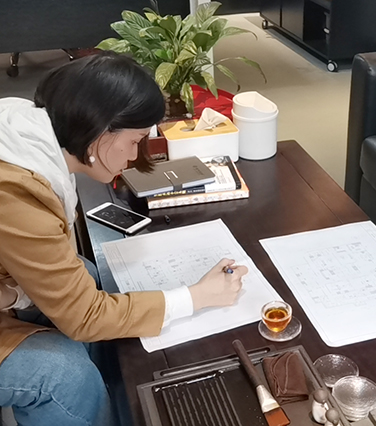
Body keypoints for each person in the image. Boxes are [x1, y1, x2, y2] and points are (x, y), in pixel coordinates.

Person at [0, 51, 249, 425]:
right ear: (100, 131)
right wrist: (196, 297)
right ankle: (89, 398)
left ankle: (107, 398)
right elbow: (84, 316)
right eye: (135, 140)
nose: (134, 156)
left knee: (86, 272)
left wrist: (15, 292)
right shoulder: (16, 189)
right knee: (63, 374)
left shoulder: (25, 137)